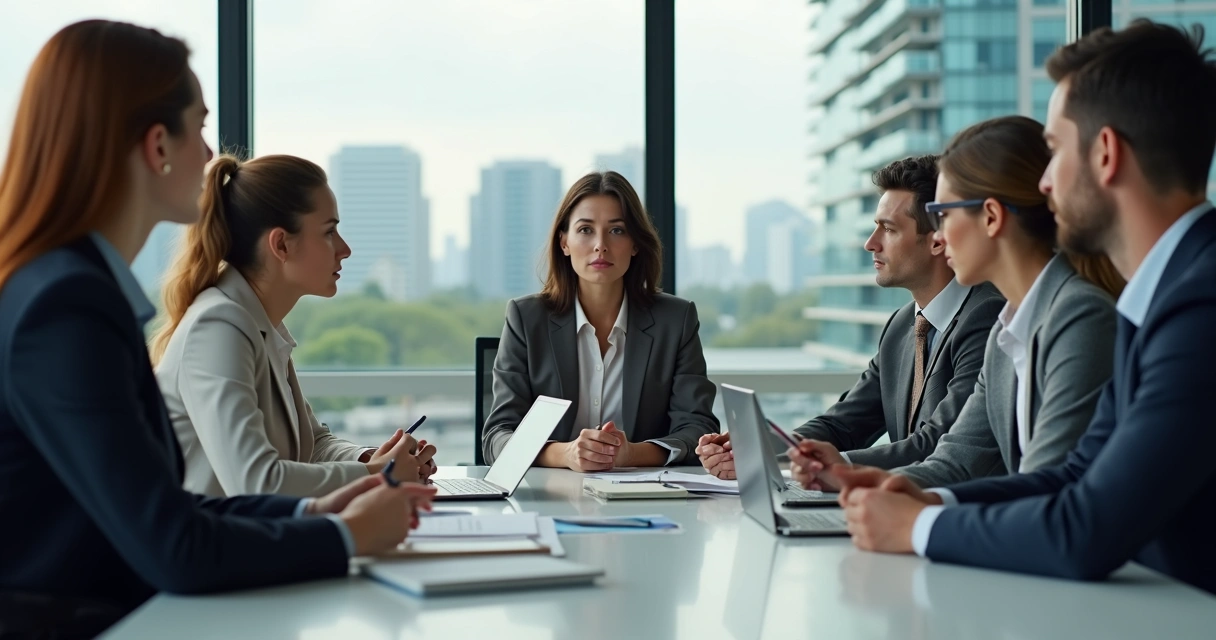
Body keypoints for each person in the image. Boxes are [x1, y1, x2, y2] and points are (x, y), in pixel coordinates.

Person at [0, 20, 434, 636]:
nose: (210, 157)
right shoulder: (67, 308)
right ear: (157, 146)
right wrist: (345, 534)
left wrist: (316, 510)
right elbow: (173, 546)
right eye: (200, 126)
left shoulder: (68, 291)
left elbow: (165, 510)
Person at [834, 19, 1216, 595]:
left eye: (1056, 151)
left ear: (1106, 154)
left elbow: (1086, 528)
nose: (1041, 184)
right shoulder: (1163, 295)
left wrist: (921, 526)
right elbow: (1075, 475)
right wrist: (929, 496)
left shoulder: (1199, 305)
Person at [789, 116, 1123, 491]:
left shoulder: (1078, 317)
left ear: (992, 218)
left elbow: (1044, 492)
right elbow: (955, 462)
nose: (941, 237)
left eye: (945, 216)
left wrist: (911, 518)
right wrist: (856, 482)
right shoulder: (1009, 326)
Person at [698, 156, 1005, 480]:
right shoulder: (902, 326)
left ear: (936, 241)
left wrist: (836, 466)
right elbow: (843, 424)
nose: (870, 243)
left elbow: (937, 445)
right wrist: (760, 446)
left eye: (888, 229)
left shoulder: (986, 317)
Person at [150, 154, 437, 498]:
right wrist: (378, 474)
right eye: (330, 232)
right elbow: (257, 482)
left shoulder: (259, 322)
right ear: (281, 244)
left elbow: (311, 444)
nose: (344, 249)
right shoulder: (217, 328)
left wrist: (370, 458)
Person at [482, 171, 719, 470]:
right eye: (585, 230)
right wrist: (567, 455)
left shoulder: (676, 320)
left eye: (617, 230)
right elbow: (497, 437)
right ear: (564, 243)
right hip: (551, 496)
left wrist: (631, 454)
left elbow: (697, 429)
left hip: (645, 495)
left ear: (635, 244)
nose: (600, 245)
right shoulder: (527, 318)